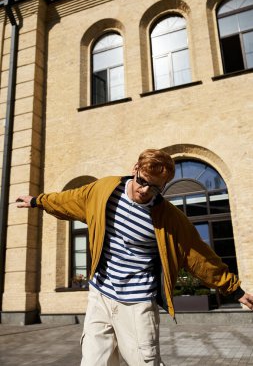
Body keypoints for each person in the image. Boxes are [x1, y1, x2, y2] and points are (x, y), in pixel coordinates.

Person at [16, 149, 253, 366]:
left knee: (144, 362)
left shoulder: (169, 219)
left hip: (137, 302)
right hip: (100, 294)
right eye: (142, 182)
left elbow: (199, 256)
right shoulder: (104, 191)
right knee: (93, 362)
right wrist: (37, 201)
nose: (145, 190)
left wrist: (235, 291)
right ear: (135, 169)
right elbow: (69, 200)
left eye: (155, 188)